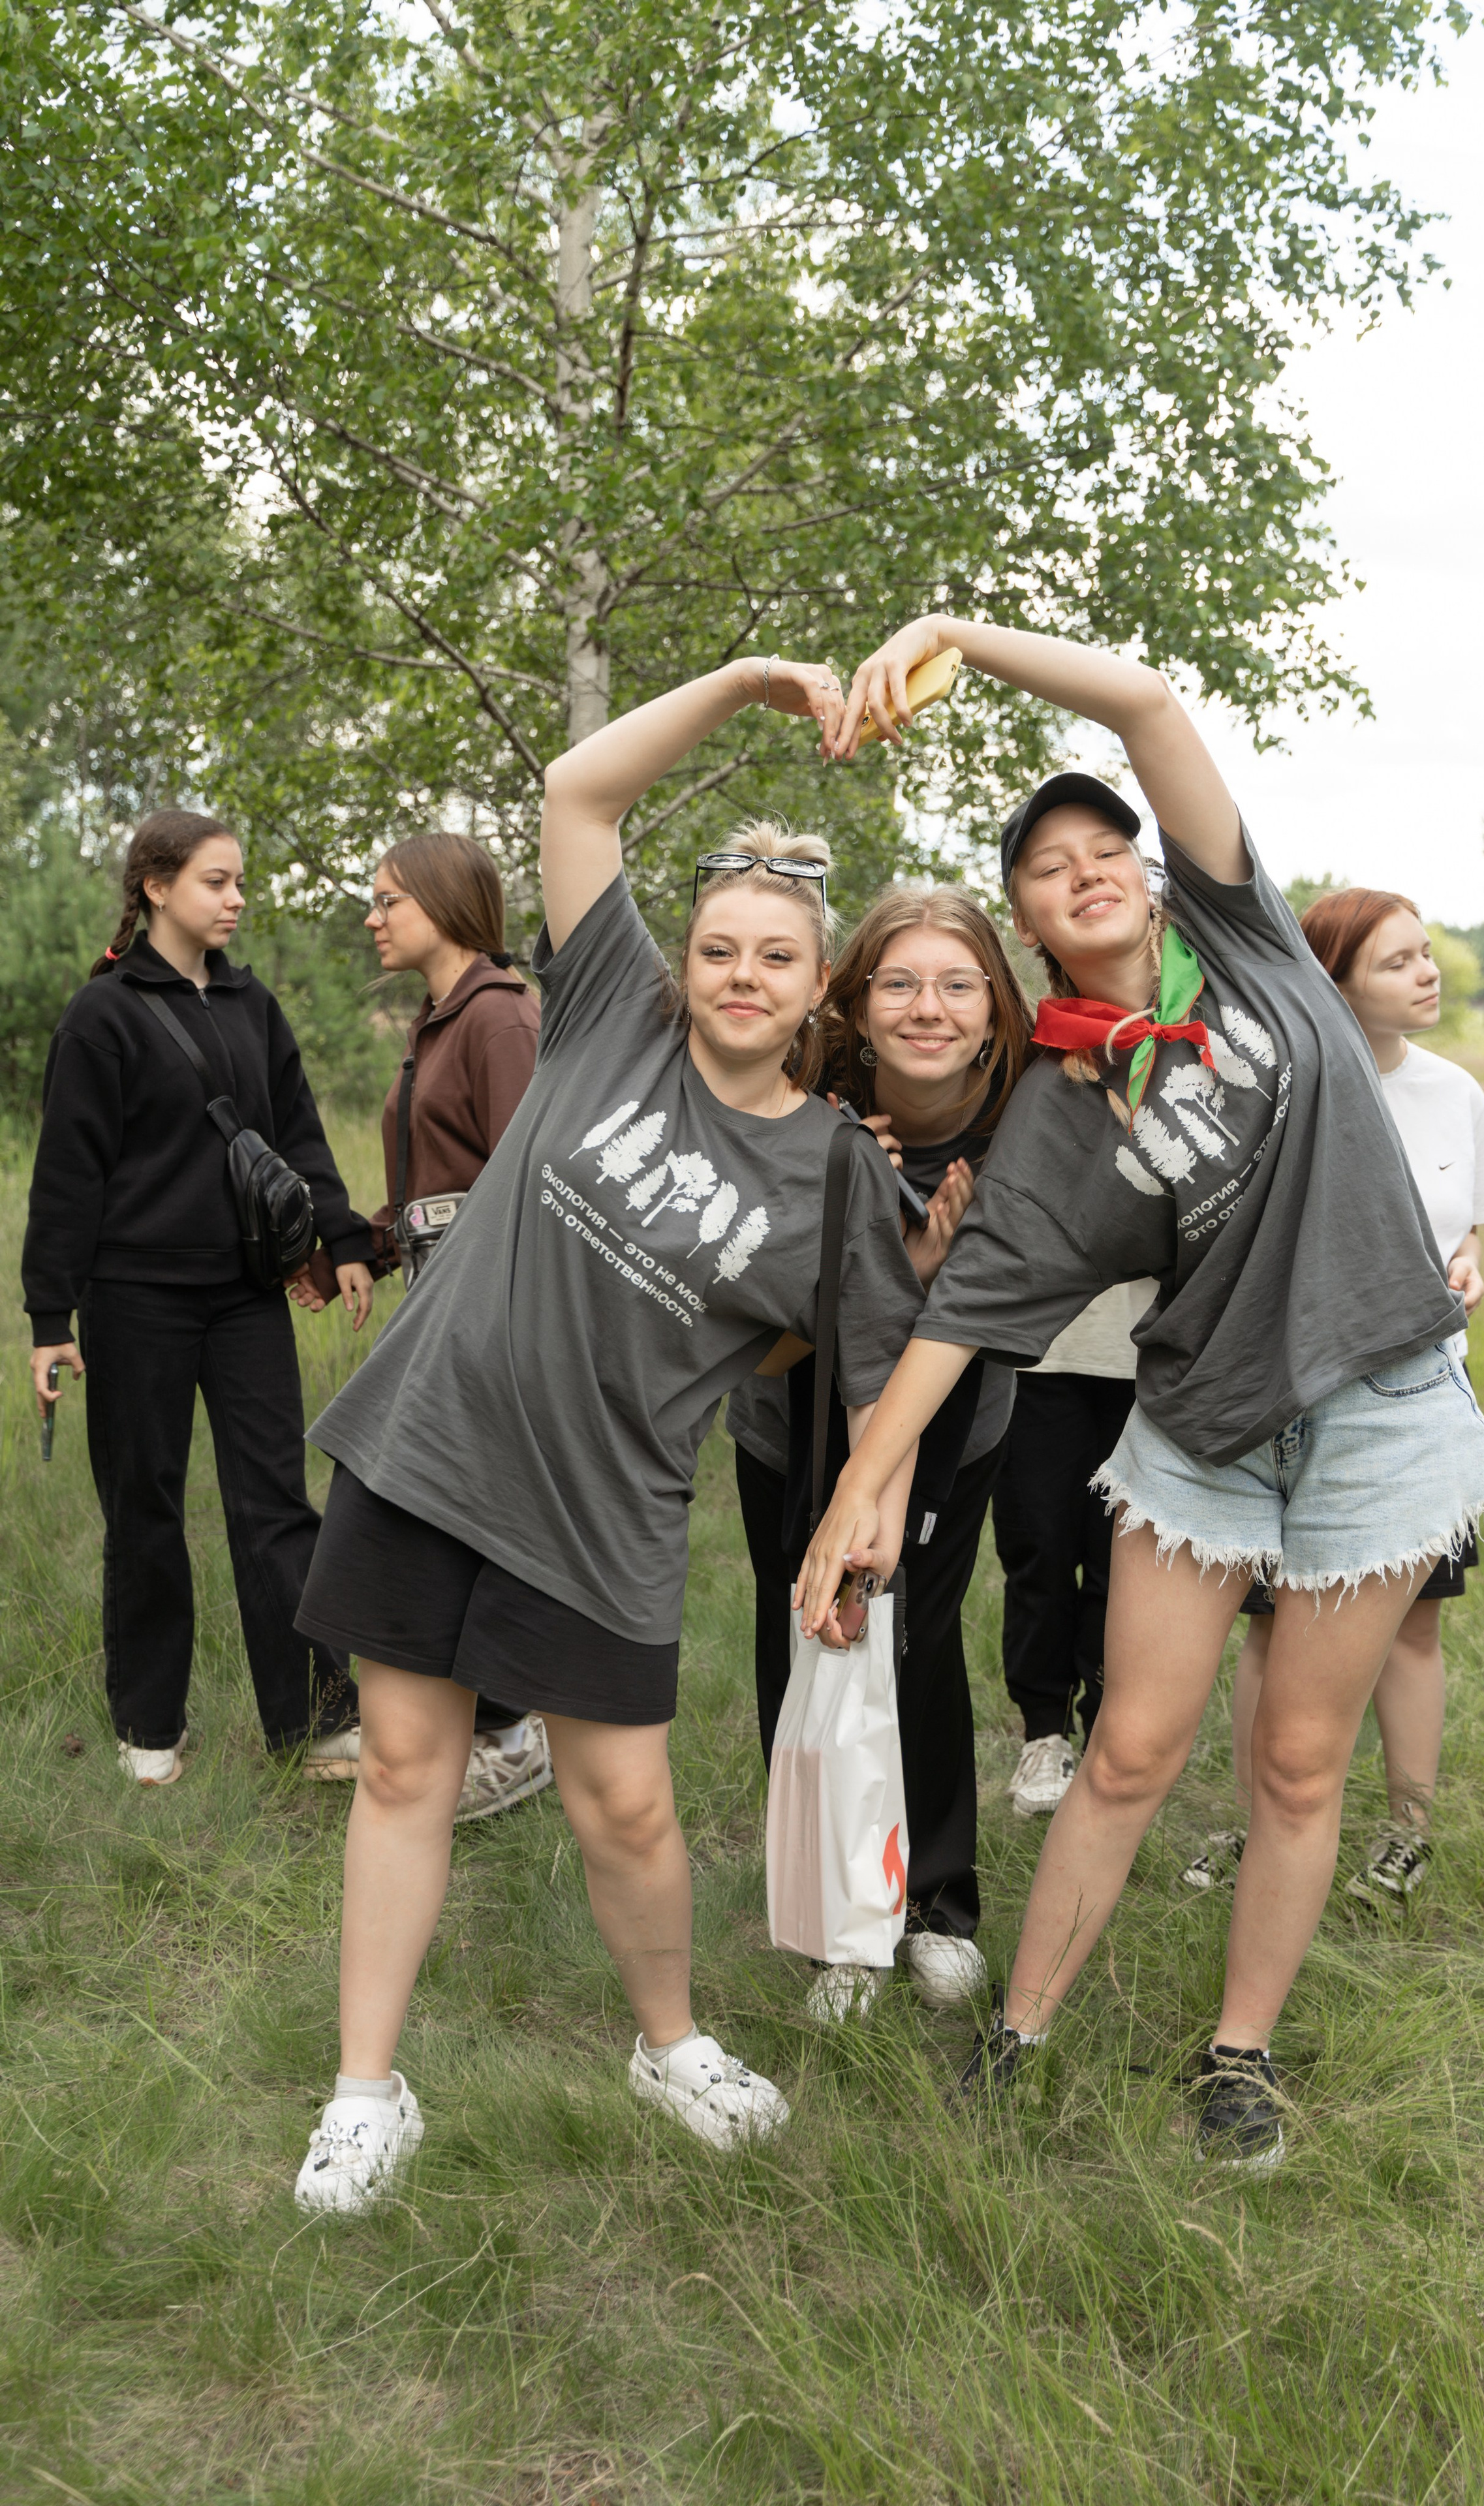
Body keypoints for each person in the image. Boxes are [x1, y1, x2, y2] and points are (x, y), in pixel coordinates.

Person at [797, 613, 1484, 2169]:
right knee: (1127, 1747)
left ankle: (1235, 2054)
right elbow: (968, 1307)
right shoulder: (1057, 1110)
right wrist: (866, 1475)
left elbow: (1138, 699)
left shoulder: (1243, 936)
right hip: (1199, 1429)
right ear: (1028, 923)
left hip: (1379, 1407)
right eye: (1043, 865)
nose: (1083, 863)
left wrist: (954, 641)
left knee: (1295, 1760)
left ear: (1140, 857)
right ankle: (1019, 2028)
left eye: (1097, 839)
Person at [288, 655, 925, 2214]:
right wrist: (750, 682)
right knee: (402, 1769)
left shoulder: (836, 1171)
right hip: (429, 1451)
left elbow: (885, 1361)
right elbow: (580, 794)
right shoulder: (600, 1019)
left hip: (602, 1513)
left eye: (777, 955)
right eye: (717, 945)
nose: (739, 972)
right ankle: (365, 2091)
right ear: (684, 957)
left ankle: (669, 2046)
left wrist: (866, 1496)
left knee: (624, 1803)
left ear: (816, 987)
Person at [22, 809, 377, 1787]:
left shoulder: (254, 1004)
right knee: (145, 1508)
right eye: (217, 882)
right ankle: (151, 1726)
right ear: (156, 887)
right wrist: (51, 1319)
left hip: (244, 1299)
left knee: (274, 1505)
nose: (236, 899)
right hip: (133, 1299)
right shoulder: (102, 1015)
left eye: (239, 882)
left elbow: (297, 1134)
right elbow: (69, 1176)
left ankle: (312, 1722)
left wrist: (340, 1241)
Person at [728, 880, 1032, 2019]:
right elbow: (753, 1320)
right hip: (792, 1420)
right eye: (898, 982)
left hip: (960, 1421)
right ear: (851, 1004)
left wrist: (937, 1287)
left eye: (958, 984)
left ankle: (938, 1899)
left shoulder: (1027, 1121)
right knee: (805, 1634)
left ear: (996, 1008)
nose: (928, 1007)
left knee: (921, 1641)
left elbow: (1015, 1304)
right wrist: (895, 1269)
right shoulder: (804, 1112)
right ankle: (836, 1928)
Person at [1183, 888, 1484, 1909]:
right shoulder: (1284, 1089)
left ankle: (1408, 1833)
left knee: (1416, 1628)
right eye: (1399, 961)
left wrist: (1469, 1267)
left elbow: (1468, 1231)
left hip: (1418, 1403)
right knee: (1273, 1627)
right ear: (1333, 985)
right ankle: (1250, 1821)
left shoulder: (1457, 1091)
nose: (1429, 973)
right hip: (1296, 1399)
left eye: (1426, 954)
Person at [292, 828, 553, 1825]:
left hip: (491, 1323)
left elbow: (528, 1188)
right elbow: (441, 1192)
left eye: (388, 899)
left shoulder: (499, 1019)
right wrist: (350, 1248)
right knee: (436, 1516)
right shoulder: (439, 1020)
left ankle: (514, 1734)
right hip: (437, 1307)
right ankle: (460, 1722)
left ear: (443, 903)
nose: (373, 916)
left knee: (476, 1518)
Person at [991, 1281, 1155, 1816]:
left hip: (1146, 1357)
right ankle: (1044, 1737)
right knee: (1039, 1552)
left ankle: (1110, 1743)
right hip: (1038, 1353)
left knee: (1124, 1570)